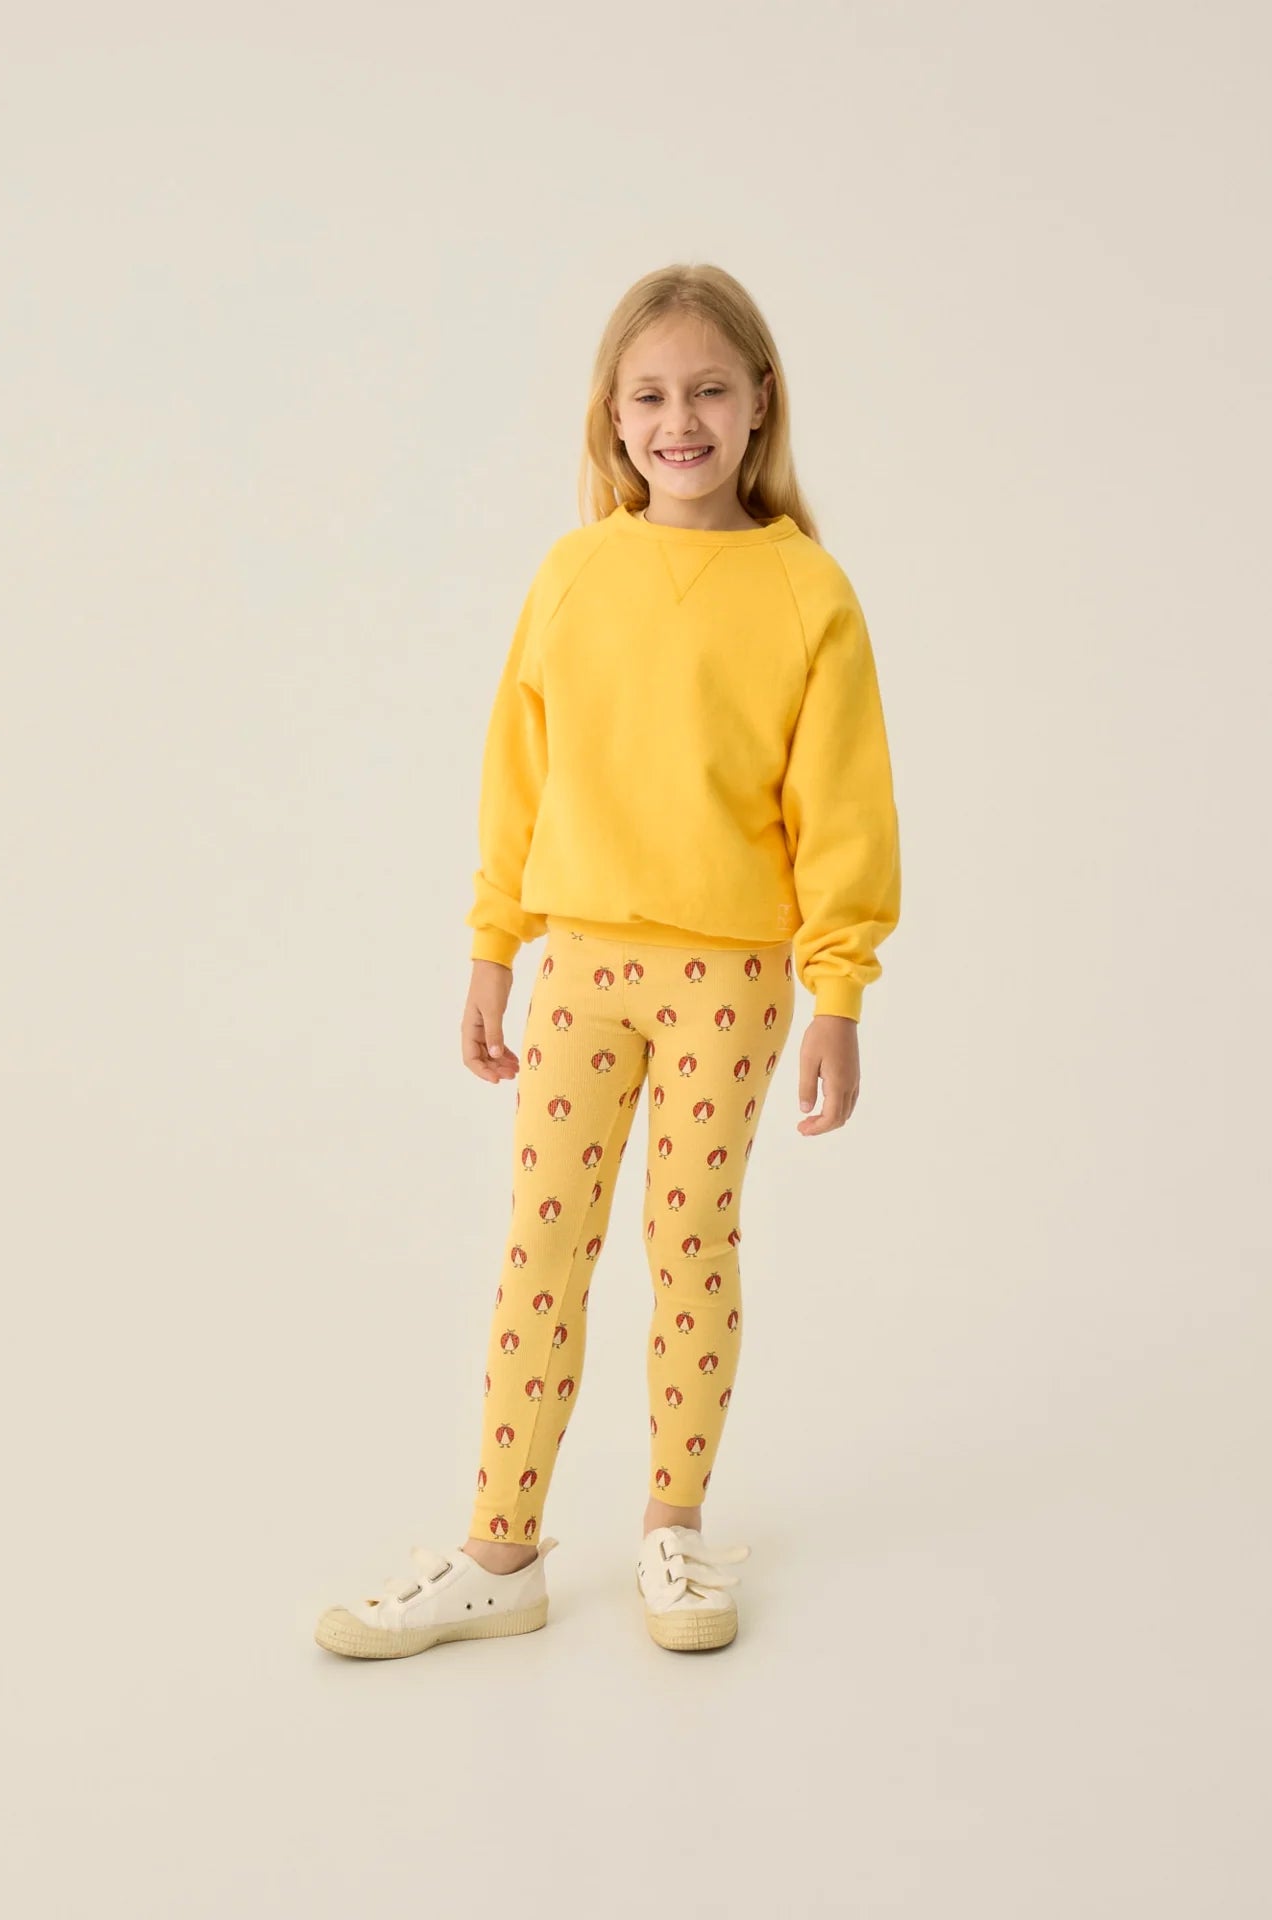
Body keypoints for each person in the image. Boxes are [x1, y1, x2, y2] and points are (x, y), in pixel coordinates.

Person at [314, 262, 901, 1660]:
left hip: (731, 982)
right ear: (612, 416)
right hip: (577, 968)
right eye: (649, 396)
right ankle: (500, 1551)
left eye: (708, 389)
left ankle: (673, 1530)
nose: (678, 420)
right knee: (543, 1246)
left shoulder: (807, 590)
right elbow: (518, 774)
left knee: (689, 1241)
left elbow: (843, 808)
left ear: (759, 404)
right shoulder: (573, 573)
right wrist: (492, 946)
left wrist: (839, 991)